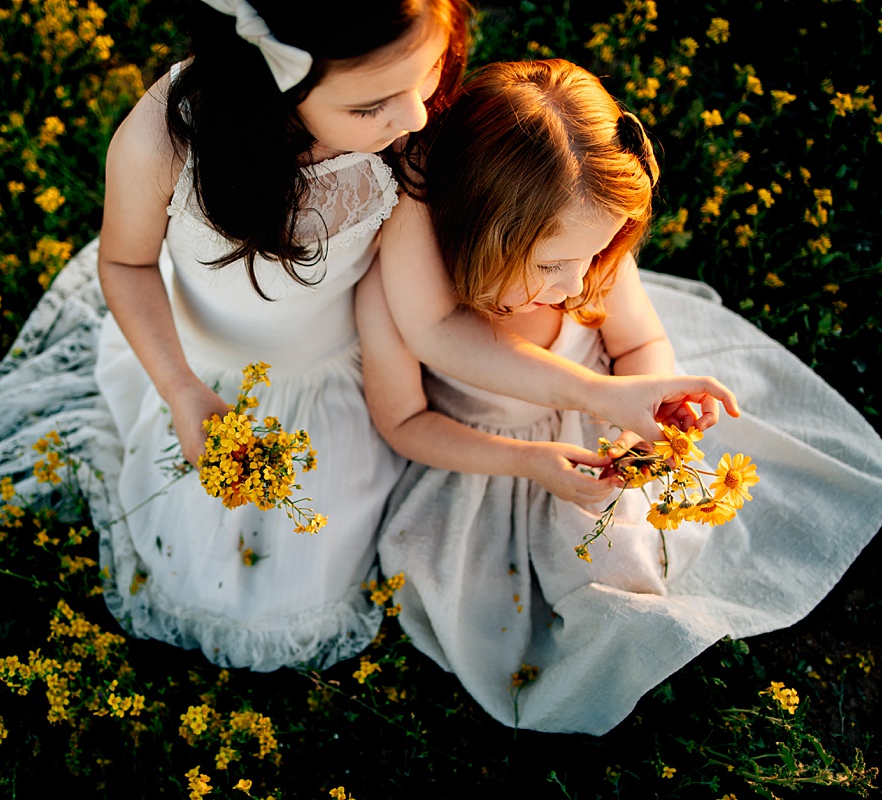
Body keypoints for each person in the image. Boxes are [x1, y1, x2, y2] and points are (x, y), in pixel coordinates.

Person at [0, 3, 733, 673]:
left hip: (336, 374)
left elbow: (435, 327)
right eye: (371, 102)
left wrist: (597, 393)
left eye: (431, 73)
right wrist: (182, 390)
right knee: (212, 572)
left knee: (309, 565)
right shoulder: (163, 142)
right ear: (268, 87)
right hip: (203, 359)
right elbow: (127, 267)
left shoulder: (406, 150)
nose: (413, 117)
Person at [357, 59, 882, 733]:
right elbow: (404, 422)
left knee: (625, 546)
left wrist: (647, 412)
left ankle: (648, 629)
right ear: (472, 229)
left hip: (602, 426)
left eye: (594, 256)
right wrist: (525, 462)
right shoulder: (396, 297)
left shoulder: (591, 259)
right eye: (551, 265)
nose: (577, 286)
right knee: (509, 601)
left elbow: (639, 346)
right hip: (488, 459)